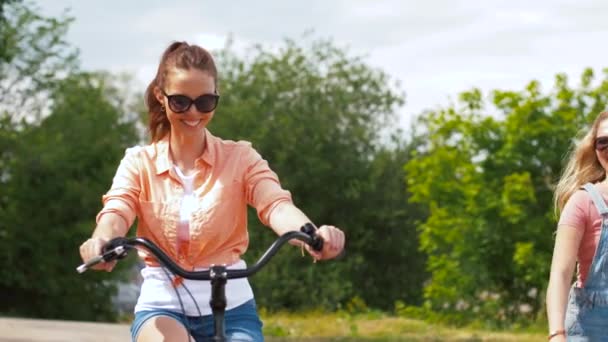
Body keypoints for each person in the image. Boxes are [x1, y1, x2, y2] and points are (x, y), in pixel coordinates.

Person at [79, 41, 346, 342]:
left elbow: (275, 205)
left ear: (216, 98)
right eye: (180, 101)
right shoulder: (139, 163)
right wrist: (101, 240)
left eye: (205, 102)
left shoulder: (241, 158)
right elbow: (117, 211)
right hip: (163, 306)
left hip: (232, 307)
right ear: (161, 97)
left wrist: (311, 234)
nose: (193, 112)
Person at [547, 111, 608, 341]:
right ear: (594, 149)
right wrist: (556, 334)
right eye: (603, 142)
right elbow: (560, 274)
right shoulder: (583, 202)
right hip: (589, 329)